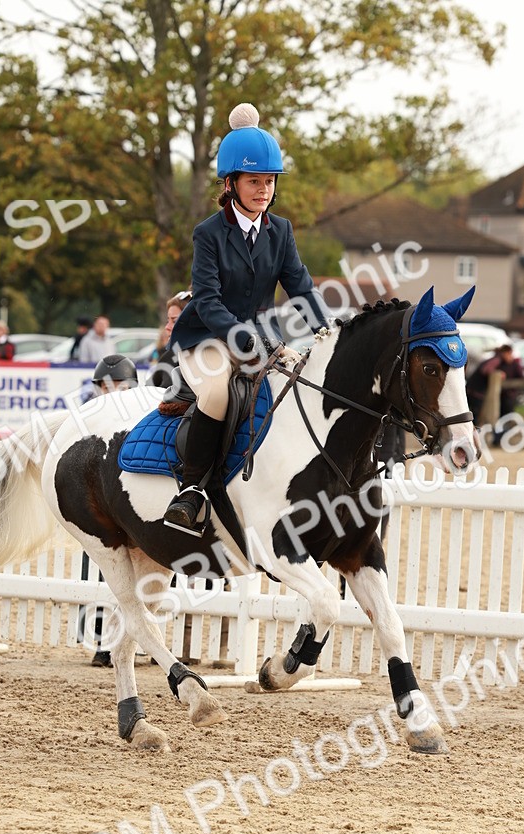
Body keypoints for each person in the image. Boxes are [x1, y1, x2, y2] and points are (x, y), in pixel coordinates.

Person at [162, 102, 331, 531]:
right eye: (254, 181)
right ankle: (193, 490)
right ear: (232, 183)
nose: (264, 190)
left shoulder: (282, 231)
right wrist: (239, 335)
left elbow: (300, 286)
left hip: (257, 336)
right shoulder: (208, 233)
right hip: (205, 336)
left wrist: (327, 331)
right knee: (219, 394)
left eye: (270, 181)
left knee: (295, 384)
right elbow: (206, 298)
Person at [79, 354, 139, 665]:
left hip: (134, 509)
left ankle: (131, 643)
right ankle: (102, 641)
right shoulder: (88, 425)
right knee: (105, 578)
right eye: (105, 387)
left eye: (118, 386)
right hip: (104, 514)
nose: (111, 392)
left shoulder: (142, 421)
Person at [466, 343, 524, 425]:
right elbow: (485, 370)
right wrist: (499, 374)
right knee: (475, 414)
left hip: (473, 389)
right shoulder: (497, 359)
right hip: (476, 391)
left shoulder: (495, 359)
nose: (511, 356)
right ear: (505, 353)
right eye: (509, 353)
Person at [150, 290, 191, 388]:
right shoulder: (170, 356)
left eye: (174, 321)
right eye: (168, 320)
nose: (167, 327)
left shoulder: (206, 353)